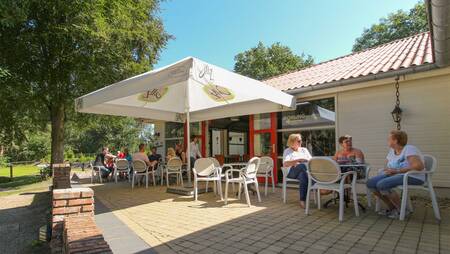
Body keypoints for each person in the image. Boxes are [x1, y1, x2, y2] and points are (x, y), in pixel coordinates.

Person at [366, 130, 425, 219]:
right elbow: (389, 165)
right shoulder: (392, 151)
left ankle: (402, 210)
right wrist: (388, 170)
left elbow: (419, 166)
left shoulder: (409, 149)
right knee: (370, 183)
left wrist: (397, 171)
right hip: (396, 174)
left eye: (389, 139)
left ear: (396, 140)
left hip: (413, 176)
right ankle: (392, 207)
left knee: (382, 184)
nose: (387, 140)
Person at [283, 133, 312, 208]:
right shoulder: (287, 151)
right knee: (302, 165)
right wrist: (298, 160)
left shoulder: (304, 150)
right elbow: (285, 164)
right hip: (291, 172)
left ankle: (302, 200)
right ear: (292, 142)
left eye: (301, 140)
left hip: (304, 171)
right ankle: (315, 182)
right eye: (298, 141)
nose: (300, 142)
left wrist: (304, 161)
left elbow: (311, 161)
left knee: (303, 176)